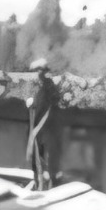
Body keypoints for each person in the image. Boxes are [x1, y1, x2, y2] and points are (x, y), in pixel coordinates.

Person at [25, 59, 61, 191]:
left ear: (44, 71)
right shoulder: (43, 87)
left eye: (39, 71)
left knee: (43, 160)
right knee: (38, 160)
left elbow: (53, 102)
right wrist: (33, 104)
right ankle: (40, 185)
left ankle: (45, 187)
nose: (37, 74)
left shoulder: (48, 86)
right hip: (38, 130)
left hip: (44, 131)